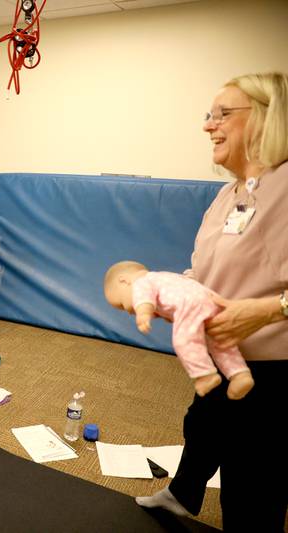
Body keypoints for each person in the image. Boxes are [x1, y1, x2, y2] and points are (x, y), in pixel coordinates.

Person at [134, 72, 288, 532]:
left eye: (223, 114)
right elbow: (206, 273)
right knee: (201, 428)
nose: (208, 125)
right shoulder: (229, 194)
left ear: (265, 119)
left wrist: (265, 310)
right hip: (224, 357)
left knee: (251, 489)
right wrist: (165, 292)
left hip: (273, 372)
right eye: (209, 115)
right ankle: (183, 494)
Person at [104, 260, 253, 399]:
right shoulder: (165, 277)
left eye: (122, 305)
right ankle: (240, 374)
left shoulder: (142, 281)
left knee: (183, 340)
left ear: (124, 281)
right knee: (218, 340)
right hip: (212, 300)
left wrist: (143, 313)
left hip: (190, 305)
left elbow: (143, 298)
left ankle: (205, 375)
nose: (128, 312)